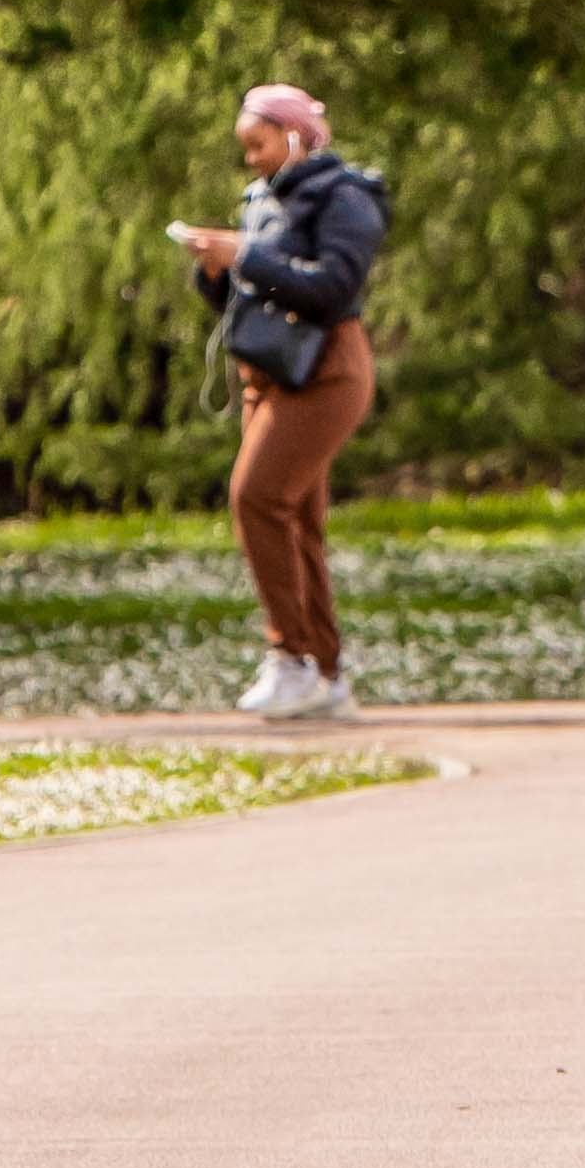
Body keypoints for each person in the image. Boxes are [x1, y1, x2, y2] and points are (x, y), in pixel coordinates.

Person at [170, 82, 389, 722]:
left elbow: (333, 290)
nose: (250, 160)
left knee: (257, 497)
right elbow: (250, 300)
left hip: (325, 373)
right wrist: (214, 270)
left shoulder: (347, 197)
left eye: (257, 145)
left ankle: (289, 657)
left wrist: (248, 256)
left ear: (295, 137)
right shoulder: (262, 200)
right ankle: (326, 673)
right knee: (298, 522)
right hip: (266, 374)